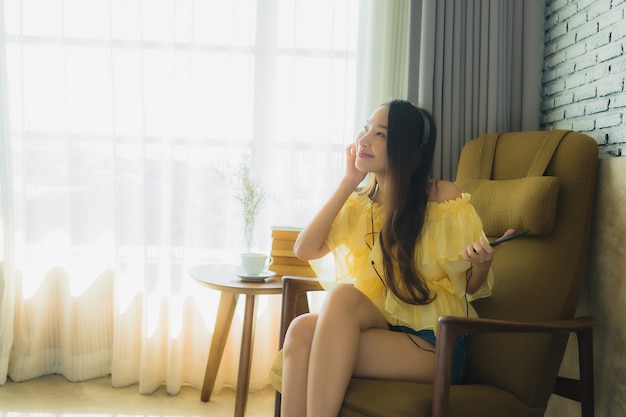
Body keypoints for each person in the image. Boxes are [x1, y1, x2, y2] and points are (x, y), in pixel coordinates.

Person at [280, 100, 514, 417]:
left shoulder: (442, 197)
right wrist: (348, 183)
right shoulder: (361, 201)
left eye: (380, 134)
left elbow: (469, 288)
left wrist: (483, 263)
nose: (363, 140)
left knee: (331, 313)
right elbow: (304, 249)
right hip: (384, 328)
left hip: (433, 344)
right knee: (301, 329)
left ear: (406, 148)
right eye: (365, 128)